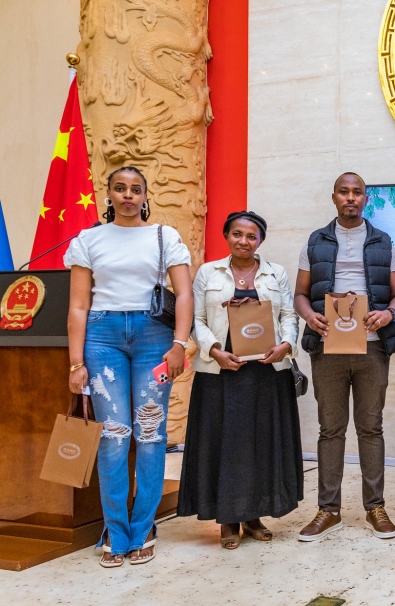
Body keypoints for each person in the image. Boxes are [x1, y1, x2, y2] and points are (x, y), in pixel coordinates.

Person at [65, 166, 193, 568]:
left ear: (145, 195)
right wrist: (75, 362)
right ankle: (115, 531)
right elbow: (79, 305)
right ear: (109, 195)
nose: (128, 196)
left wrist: (179, 344)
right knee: (114, 436)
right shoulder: (88, 239)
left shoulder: (164, 237)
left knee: (150, 432)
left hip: (154, 334)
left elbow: (184, 293)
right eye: (120, 189)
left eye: (135, 189)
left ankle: (144, 527)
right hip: (103, 338)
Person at [179, 211, 303, 549]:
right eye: (237, 234)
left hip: (266, 373)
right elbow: (196, 319)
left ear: (260, 240)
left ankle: (254, 516)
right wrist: (215, 350)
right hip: (221, 373)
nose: (244, 241)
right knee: (226, 447)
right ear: (227, 236)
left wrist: (287, 345)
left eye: (251, 236)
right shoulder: (208, 272)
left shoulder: (275, 273)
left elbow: (289, 315)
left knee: (261, 445)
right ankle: (228, 522)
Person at [295, 172, 395, 541]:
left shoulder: (383, 241)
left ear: (365, 199)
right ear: (334, 197)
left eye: (357, 192)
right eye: (344, 192)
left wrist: (388, 314)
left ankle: (375, 507)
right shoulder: (316, 241)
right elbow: (300, 294)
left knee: (371, 428)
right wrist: (310, 315)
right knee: (331, 430)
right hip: (328, 347)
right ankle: (329, 510)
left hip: (373, 347)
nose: (351, 198)